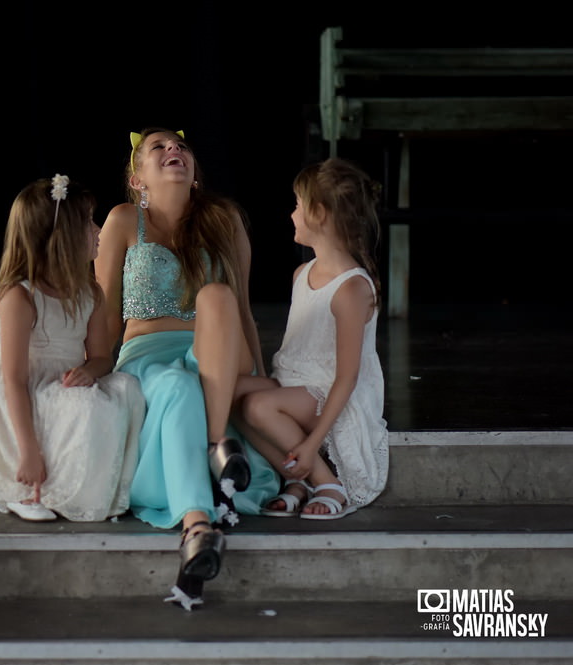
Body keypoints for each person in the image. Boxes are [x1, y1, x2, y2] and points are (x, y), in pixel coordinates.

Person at [94, 128, 280, 611]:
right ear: (138, 178)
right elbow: (105, 317)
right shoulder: (122, 221)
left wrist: (257, 378)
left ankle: (219, 442)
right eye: (158, 148)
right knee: (177, 385)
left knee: (216, 296)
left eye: (181, 147)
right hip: (147, 356)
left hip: (215, 353)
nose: (173, 150)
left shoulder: (225, 220)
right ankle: (199, 526)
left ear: (195, 173)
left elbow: (242, 311)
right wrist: (92, 367)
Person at [0, 175, 144, 522]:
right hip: (21, 395)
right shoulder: (19, 297)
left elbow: (101, 358)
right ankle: (28, 484)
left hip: (61, 387)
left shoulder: (89, 293)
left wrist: (89, 370)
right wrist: (29, 451)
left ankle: (92, 490)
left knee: (126, 388)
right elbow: (13, 381)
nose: (99, 230)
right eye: (88, 223)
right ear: (61, 238)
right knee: (84, 405)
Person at [235, 157, 389, 519]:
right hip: (293, 387)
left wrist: (313, 442)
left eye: (297, 206)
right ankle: (298, 479)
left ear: (319, 213)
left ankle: (325, 481)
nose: (291, 214)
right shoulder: (301, 273)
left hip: (330, 394)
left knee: (258, 406)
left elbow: (347, 378)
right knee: (225, 392)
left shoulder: (350, 288)